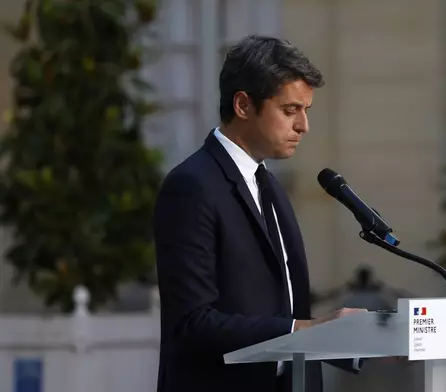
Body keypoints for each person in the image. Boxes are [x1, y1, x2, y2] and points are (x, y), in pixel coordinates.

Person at [153, 35, 365, 392]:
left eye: (306, 111)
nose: (303, 126)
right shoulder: (191, 186)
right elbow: (192, 323)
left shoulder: (269, 186)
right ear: (243, 105)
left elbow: (286, 308)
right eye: (289, 110)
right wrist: (304, 330)